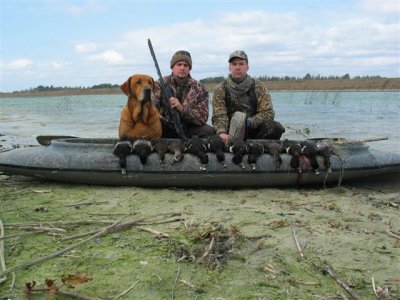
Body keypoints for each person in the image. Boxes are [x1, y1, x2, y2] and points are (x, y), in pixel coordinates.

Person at [212, 50, 285, 143]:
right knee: (213, 132)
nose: (238, 67)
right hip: (229, 131)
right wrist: (221, 132)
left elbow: (268, 113)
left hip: (252, 129)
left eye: (241, 64)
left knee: (275, 127)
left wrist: (249, 122)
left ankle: (257, 149)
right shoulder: (220, 89)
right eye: (234, 64)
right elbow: (219, 115)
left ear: (247, 67)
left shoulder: (259, 86)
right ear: (229, 67)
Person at [152, 50, 215, 139]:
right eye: (179, 64)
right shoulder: (159, 84)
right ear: (172, 67)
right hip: (164, 127)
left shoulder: (199, 88)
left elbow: (202, 118)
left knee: (209, 131)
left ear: (189, 68)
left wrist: (182, 109)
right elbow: (151, 109)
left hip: (187, 128)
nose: (182, 68)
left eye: (185, 65)